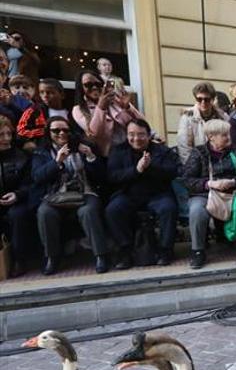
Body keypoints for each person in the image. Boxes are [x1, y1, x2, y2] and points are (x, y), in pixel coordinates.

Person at [31, 116, 109, 275]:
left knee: (88, 211)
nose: (61, 133)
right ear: (48, 133)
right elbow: (37, 177)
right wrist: (56, 162)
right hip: (56, 195)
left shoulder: (83, 146)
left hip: (85, 191)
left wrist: (90, 157)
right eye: (56, 130)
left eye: (65, 130)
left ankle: (101, 255)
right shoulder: (42, 151)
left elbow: (102, 175)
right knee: (45, 212)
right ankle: (52, 257)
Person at [182, 119, 236, 269]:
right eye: (224, 135)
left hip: (233, 193)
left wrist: (234, 182)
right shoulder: (199, 152)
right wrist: (209, 184)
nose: (229, 137)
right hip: (205, 194)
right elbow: (187, 180)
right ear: (211, 137)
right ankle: (197, 250)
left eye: (228, 134)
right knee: (197, 211)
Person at [105, 119, 178, 269]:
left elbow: (172, 172)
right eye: (131, 134)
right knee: (113, 210)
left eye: (141, 135)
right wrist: (136, 170)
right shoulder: (118, 151)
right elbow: (112, 176)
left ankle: (165, 250)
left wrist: (150, 167)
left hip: (157, 194)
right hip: (128, 194)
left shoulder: (162, 150)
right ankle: (125, 251)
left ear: (149, 135)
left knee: (168, 208)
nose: (136, 139)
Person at [72, 69, 145, 157]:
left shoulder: (116, 100)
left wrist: (127, 108)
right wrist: (101, 108)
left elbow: (142, 123)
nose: (94, 87)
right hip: (108, 156)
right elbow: (95, 134)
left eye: (98, 84)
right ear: (81, 88)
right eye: (88, 85)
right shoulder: (79, 109)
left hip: (131, 149)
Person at [0, 115, 33, 277]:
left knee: (17, 215)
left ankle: (20, 260)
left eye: (9, 134)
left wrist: (17, 195)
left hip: (18, 200)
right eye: (1, 135)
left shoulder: (21, 156)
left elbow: (30, 184)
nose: (6, 139)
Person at [177, 82, 229, 164]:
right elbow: (184, 147)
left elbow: (227, 142)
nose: (203, 102)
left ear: (212, 99)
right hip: (197, 164)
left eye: (207, 99)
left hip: (219, 162)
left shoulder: (223, 117)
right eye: (199, 99)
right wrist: (191, 166)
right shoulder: (187, 118)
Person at [17, 79, 68, 151]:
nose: (45, 96)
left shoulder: (71, 112)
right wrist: (46, 131)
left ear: (62, 95)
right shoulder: (34, 110)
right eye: (42, 92)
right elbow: (21, 131)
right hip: (43, 149)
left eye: (50, 92)